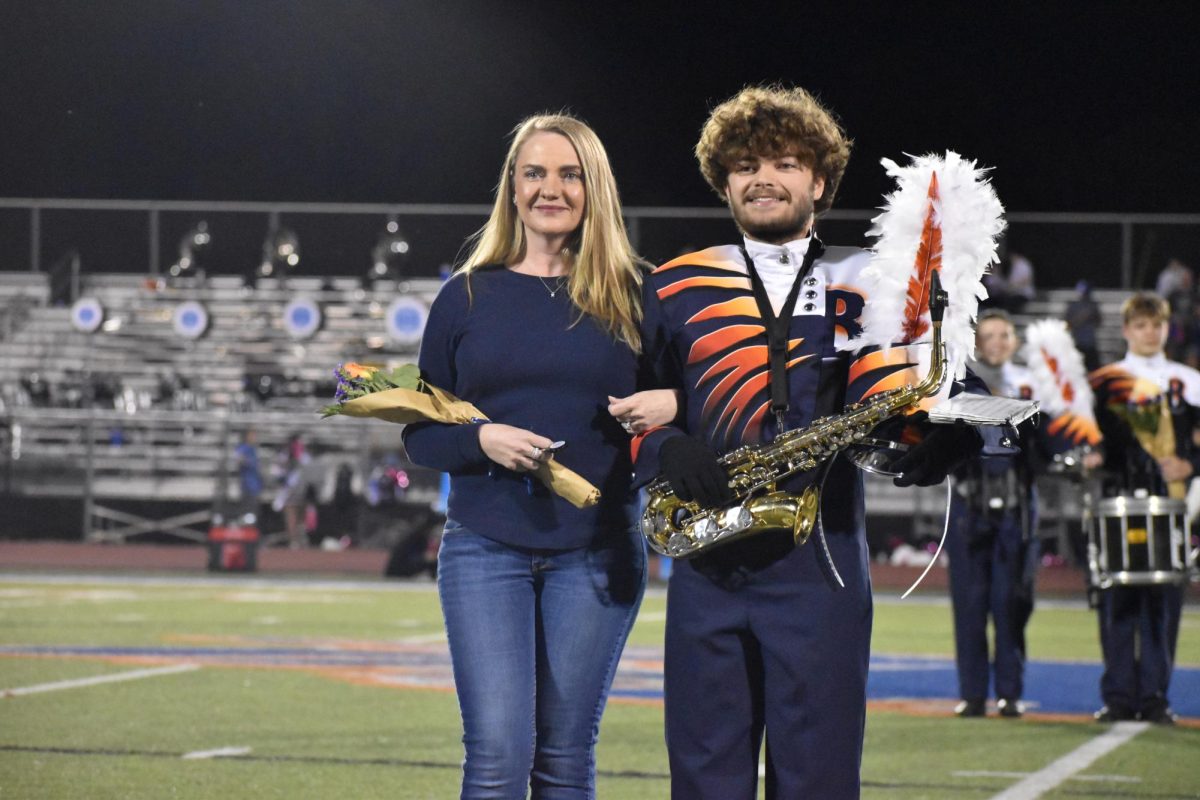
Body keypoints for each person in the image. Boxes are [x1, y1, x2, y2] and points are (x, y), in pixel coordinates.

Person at [633, 85, 986, 799]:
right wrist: (667, 447)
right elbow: (629, 406)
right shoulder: (673, 285)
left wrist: (948, 438)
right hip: (707, 563)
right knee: (704, 779)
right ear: (724, 182)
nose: (763, 177)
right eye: (744, 165)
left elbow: (946, 384)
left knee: (819, 780)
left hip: (820, 564)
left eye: (786, 162)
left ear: (820, 180)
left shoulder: (878, 279)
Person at [401, 113, 676, 798]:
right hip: (483, 549)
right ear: (512, 187)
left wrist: (671, 404)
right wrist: (481, 439)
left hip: (598, 547)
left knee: (564, 759)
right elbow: (419, 432)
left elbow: (695, 403)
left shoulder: (640, 294)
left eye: (568, 174)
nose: (550, 188)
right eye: (534, 173)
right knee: (496, 755)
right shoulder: (464, 296)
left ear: (594, 189)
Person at [1088, 292, 1197, 724]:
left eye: (1157, 325)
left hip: (1171, 503)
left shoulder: (1189, 382)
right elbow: (1091, 440)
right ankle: (1117, 696)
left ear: (1167, 328)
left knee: (1162, 601)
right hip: (1116, 502)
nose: (1150, 332)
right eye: (1141, 325)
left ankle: (1154, 698)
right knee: (1116, 598)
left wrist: (1190, 463)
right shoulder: (1104, 382)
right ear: (1128, 330)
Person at [946, 310, 1042, 718]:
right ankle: (972, 694)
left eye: (1004, 335)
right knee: (969, 606)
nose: (997, 342)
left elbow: (1050, 446)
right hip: (970, 507)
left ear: (1015, 340)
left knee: (1012, 603)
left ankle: (1009, 692)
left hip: (1016, 510)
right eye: (989, 336)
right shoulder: (959, 384)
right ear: (976, 341)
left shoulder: (1036, 385)